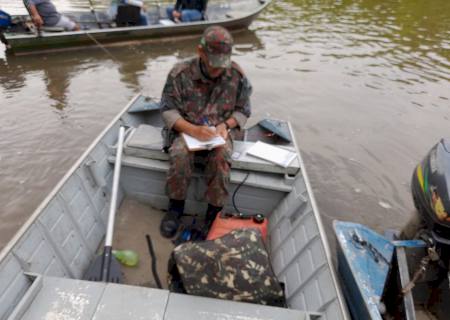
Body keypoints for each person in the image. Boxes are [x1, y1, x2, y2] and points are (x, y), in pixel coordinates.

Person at [159, 25, 252, 238]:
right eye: (214, 64)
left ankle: (213, 214)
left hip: (220, 133)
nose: (219, 70)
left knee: (221, 156)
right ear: (201, 52)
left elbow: (244, 110)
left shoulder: (236, 74)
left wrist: (226, 125)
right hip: (186, 130)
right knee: (180, 153)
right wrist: (192, 130)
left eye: (223, 64)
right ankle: (175, 208)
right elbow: (167, 110)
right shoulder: (179, 74)